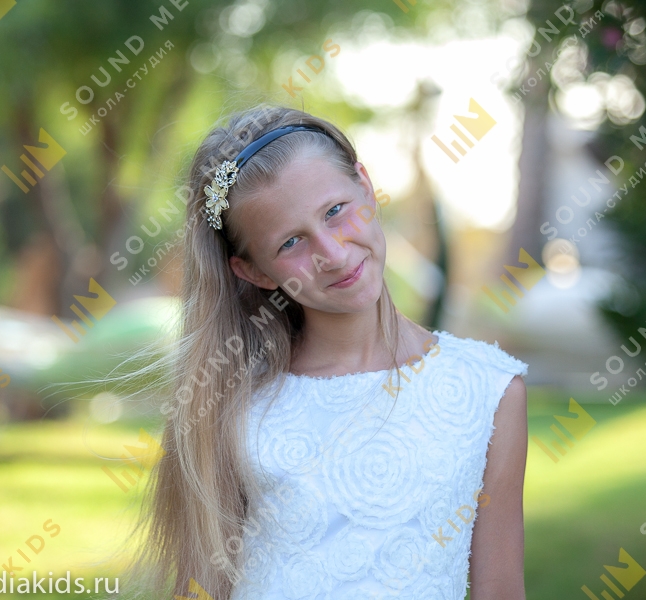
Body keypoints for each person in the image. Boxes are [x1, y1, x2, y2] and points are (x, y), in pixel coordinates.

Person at [131, 104, 528, 600]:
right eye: (291, 242)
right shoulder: (234, 401)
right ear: (254, 271)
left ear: (365, 186)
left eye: (335, 211)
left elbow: (500, 588)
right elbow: (201, 588)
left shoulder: (489, 390)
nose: (334, 254)